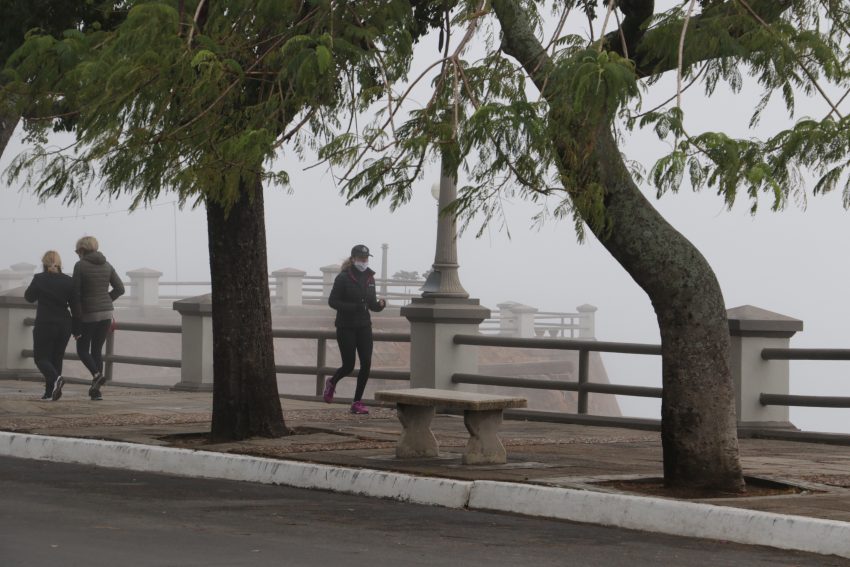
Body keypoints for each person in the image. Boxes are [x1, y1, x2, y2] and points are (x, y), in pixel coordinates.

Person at [324, 244, 386, 414]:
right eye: (360, 258)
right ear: (353, 259)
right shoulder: (343, 278)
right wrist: (354, 307)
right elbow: (333, 302)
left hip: (364, 326)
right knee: (349, 365)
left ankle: (357, 402)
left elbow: (371, 305)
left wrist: (380, 305)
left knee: (366, 363)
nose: (363, 261)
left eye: (365, 259)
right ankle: (332, 381)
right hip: (346, 327)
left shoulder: (370, 278)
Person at [71, 236, 124, 401]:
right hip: (106, 314)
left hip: (88, 315)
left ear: (82, 250)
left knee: (82, 350)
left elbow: (75, 294)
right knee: (96, 351)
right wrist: (107, 300)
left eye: (77, 251)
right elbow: (120, 288)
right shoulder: (107, 265)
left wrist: (76, 319)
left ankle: (96, 375)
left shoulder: (80, 266)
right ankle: (96, 391)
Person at [24, 251, 74, 401]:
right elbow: (75, 306)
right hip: (65, 324)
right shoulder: (68, 281)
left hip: (45, 323)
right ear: (60, 263)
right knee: (56, 358)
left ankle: (56, 378)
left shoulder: (39, 279)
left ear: (44, 263)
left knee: (40, 358)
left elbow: (29, 297)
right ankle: (49, 392)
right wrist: (77, 328)